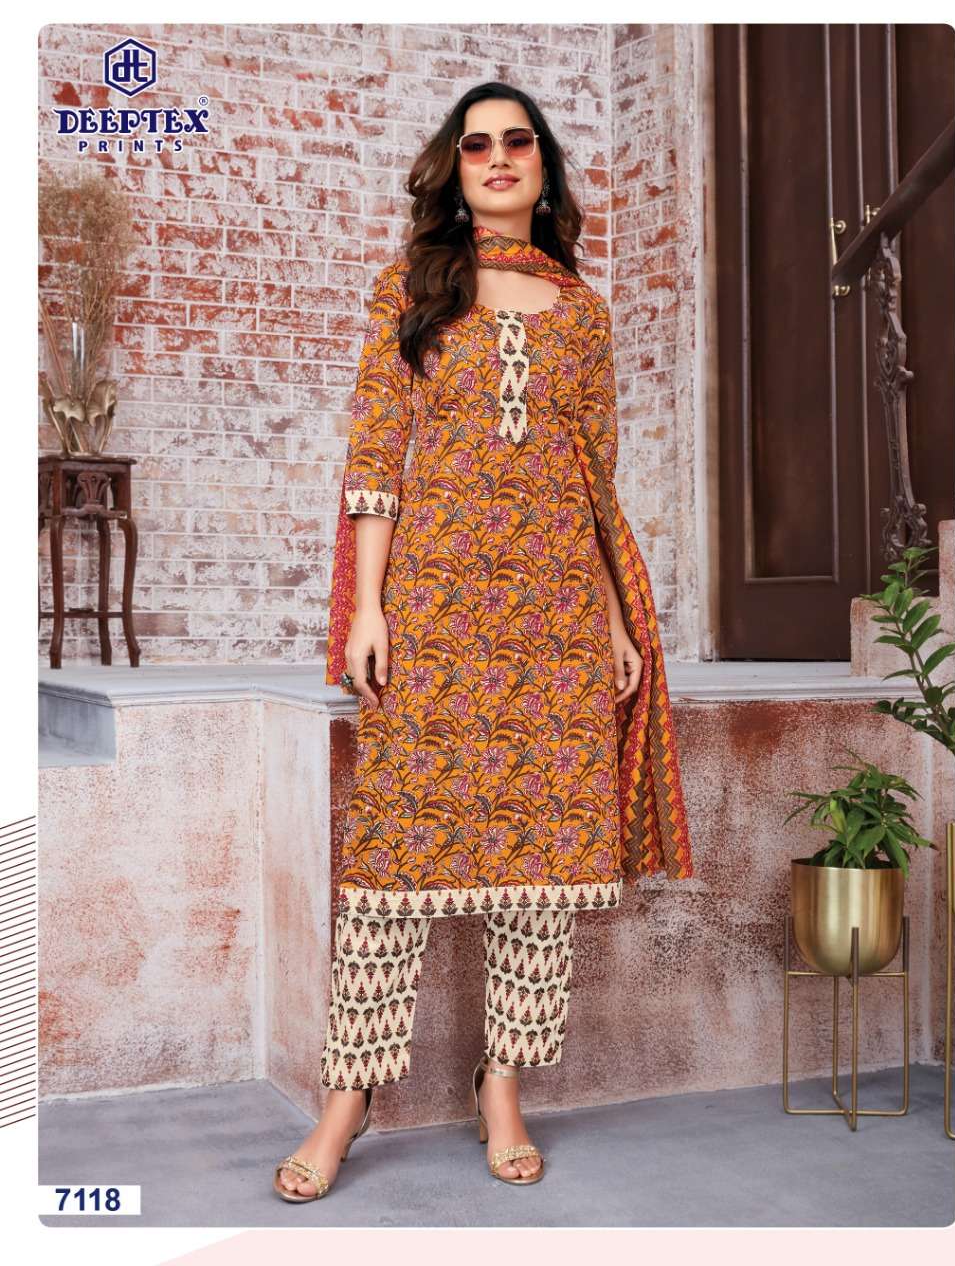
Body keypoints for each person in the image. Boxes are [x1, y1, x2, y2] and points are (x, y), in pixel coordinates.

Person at [274, 80, 693, 1203]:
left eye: (517, 142)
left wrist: (612, 618)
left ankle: (500, 1088)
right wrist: (367, 609)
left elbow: (594, 482)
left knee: (542, 870)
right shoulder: (412, 286)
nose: (498, 158)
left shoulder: (585, 312)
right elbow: (375, 455)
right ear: (454, 170)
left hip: (554, 617)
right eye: (476, 145)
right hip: (436, 609)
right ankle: (349, 1098)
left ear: (542, 168)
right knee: (391, 858)